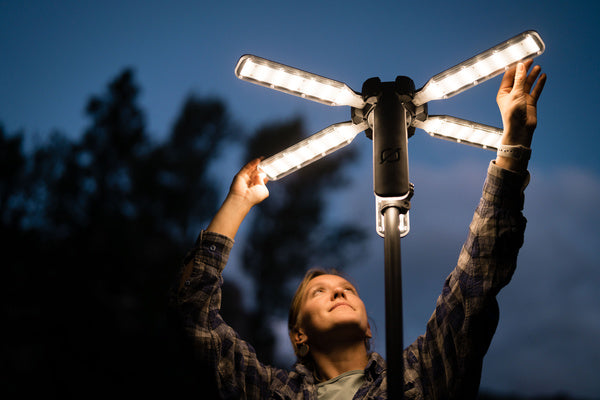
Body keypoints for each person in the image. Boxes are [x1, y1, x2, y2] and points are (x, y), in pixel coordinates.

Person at [172, 60, 546, 399]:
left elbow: (474, 286)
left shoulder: (419, 375)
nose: (339, 293)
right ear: (298, 334)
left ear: (369, 327)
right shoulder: (270, 392)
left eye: (347, 289)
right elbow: (192, 313)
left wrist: (512, 148)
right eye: (320, 292)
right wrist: (238, 202)